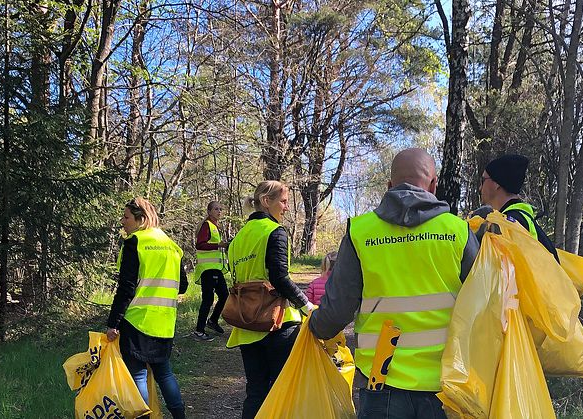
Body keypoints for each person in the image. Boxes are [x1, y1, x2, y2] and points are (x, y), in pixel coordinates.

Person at [309, 148, 480, 419]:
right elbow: (484, 306)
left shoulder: (361, 233)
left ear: (389, 186)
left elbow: (336, 313)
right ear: (434, 184)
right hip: (447, 383)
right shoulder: (459, 232)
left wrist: (314, 325)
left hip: (381, 380)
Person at [226, 180, 314, 419]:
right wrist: (307, 306)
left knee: (256, 391)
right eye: (283, 202)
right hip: (277, 322)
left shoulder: (237, 240)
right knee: (283, 389)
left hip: (246, 324)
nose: (286, 208)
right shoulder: (275, 232)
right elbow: (280, 278)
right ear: (266, 201)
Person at [106, 197, 187, 419]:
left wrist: (113, 323)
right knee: (164, 373)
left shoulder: (135, 243)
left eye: (126, 217)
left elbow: (126, 288)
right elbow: (184, 285)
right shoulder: (172, 245)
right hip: (164, 322)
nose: (123, 221)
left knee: (138, 375)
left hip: (137, 320)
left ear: (141, 219)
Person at [479, 154, 560, 261]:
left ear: (496, 184)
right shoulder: (522, 218)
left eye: (483, 180)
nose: (480, 188)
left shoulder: (509, 223)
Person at [193, 201, 229, 341]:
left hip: (215, 268)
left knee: (224, 295)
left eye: (221, 209)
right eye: (216, 209)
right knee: (207, 299)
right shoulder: (206, 225)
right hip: (207, 269)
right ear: (209, 211)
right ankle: (199, 331)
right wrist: (218, 245)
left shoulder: (215, 226)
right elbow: (200, 245)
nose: (219, 211)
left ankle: (212, 321)